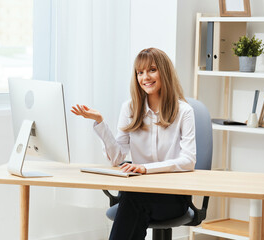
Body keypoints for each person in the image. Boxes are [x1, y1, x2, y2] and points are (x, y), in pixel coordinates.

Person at [71, 48, 196, 240]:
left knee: (132, 200)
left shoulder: (184, 111)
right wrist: (100, 123)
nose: (145, 77)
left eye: (152, 70)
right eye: (140, 72)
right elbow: (117, 158)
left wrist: (145, 168)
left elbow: (188, 161)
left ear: (164, 71)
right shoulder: (129, 108)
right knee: (133, 198)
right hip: (139, 193)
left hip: (173, 196)